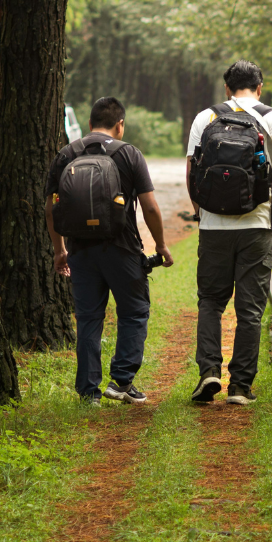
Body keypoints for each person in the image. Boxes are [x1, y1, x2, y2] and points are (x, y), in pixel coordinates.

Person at [45, 96, 174, 406]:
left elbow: (51, 208)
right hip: (123, 248)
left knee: (89, 318)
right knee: (134, 311)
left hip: (80, 250)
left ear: (89, 125)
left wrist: (59, 250)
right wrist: (160, 245)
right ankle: (121, 380)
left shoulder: (66, 154)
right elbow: (150, 207)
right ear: (120, 125)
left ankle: (89, 393)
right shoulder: (129, 153)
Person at [186, 60, 272, 405]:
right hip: (257, 225)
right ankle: (240, 387)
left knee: (211, 301)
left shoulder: (206, 117)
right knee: (250, 308)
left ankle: (208, 372)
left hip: (213, 226)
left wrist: (201, 211)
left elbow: (191, 171)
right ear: (259, 87)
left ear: (227, 88)